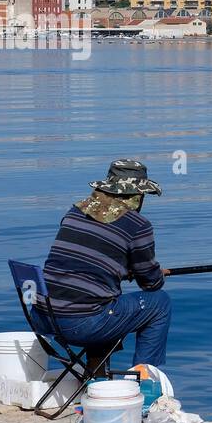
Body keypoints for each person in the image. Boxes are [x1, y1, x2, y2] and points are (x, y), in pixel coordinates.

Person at [41, 159, 172, 375]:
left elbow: (82, 264)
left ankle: (96, 377)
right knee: (160, 303)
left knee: (105, 302)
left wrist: (121, 270)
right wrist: (154, 274)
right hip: (80, 325)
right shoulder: (138, 225)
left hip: (44, 317)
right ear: (136, 197)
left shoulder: (75, 211)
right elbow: (151, 283)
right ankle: (146, 380)